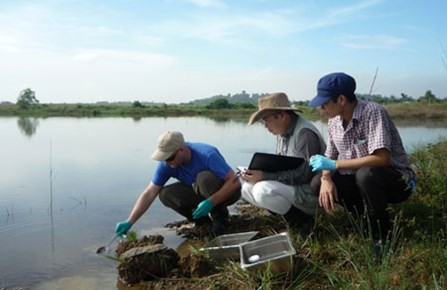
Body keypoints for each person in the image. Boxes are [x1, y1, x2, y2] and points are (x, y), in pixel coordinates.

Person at [308, 72, 416, 252]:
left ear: (341, 99)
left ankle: (382, 236)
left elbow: (381, 159)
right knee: (317, 183)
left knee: (366, 174)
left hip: (396, 180)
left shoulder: (372, 112)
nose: (322, 109)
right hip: (362, 180)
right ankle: (363, 220)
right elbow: (329, 156)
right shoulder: (334, 122)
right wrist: (326, 179)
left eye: (325, 103)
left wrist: (335, 165)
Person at [115, 131, 241, 237]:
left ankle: (221, 222)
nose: (167, 163)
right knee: (165, 194)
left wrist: (211, 202)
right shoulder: (166, 164)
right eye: (163, 159)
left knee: (204, 178)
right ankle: (202, 222)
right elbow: (149, 193)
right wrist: (130, 221)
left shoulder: (207, 154)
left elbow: (234, 182)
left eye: (169, 158)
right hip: (200, 192)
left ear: (181, 150)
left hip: (227, 192)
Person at [240, 92, 326, 237]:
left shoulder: (304, 134)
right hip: (294, 187)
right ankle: (291, 218)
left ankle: (304, 222)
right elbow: (283, 165)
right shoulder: (282, 133)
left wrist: (264, 176)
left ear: (282, 116)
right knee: (246, 188)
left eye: (266, 121)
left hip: (310, 194)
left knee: (262, 190)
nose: (266, 127)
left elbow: (304, 175)